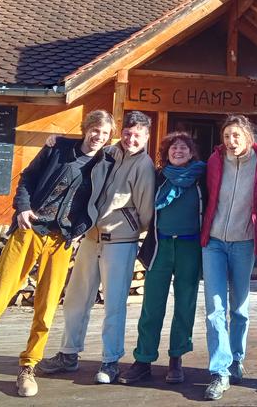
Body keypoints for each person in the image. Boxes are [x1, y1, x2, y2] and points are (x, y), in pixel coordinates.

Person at [0, 109, 116, 400]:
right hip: (30, 230)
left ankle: (28, 365)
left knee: (46, 306)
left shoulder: (105, 163)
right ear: (86, 129)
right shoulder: (58, 148)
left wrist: (80, 229)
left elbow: (101, 199)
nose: (98, 136)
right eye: (95, 130)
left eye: (105, 133)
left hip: (60, 240)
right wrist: (22, 208)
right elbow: (27, 178)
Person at [38, 110, 155, 384]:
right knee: (76, 298)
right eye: (127, 133)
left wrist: (127, 227)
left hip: (120, 242)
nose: (131, 139)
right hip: (90, 237)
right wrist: (58, 139)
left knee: (114, 304)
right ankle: (68, 353)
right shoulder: (109, 152)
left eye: (137, 135)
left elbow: (146, 212)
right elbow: (85, 146)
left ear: (147, 137)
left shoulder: (144, 166)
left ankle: (110, 361)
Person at [199, 114, 257, 401]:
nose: (231, 141)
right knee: (214, 308)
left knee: (240, 308)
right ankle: (220, 371)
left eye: (236, 136)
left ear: (248, 137)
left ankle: (236, 359)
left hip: (244, 242)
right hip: (214, 242)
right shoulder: (215, 160)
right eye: (226, 136)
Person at [123, 132, 206, 385]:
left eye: (183, 148)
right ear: (166, 153)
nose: (178, 151)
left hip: (190, 248)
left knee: (185, 305)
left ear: (192, 153)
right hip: (161, 246)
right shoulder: (158, 176)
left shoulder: (202, 177)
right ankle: (143, 359)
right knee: (152, 305)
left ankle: (176, 358)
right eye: (173, 148)